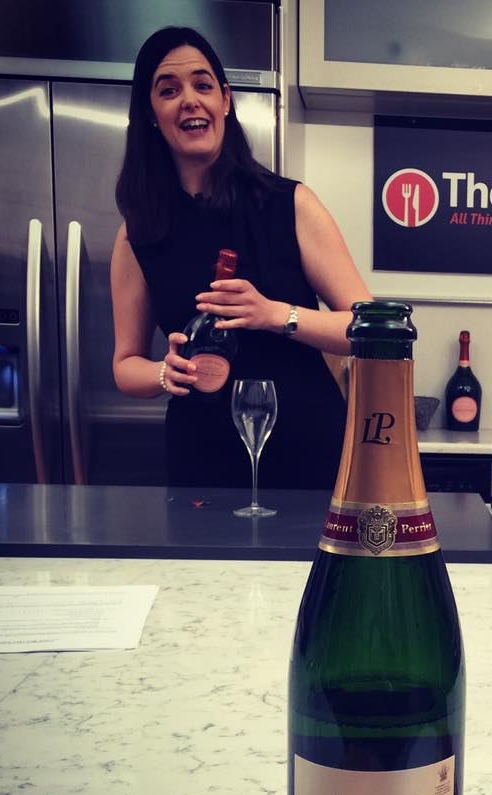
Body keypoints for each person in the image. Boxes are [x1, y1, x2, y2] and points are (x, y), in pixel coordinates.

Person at [111, 26, 370, 489]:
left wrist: (275, 314)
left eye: (202, 84)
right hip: (200, 458)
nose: (189, 100)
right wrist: (164, 373)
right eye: (168, 90)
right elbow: (125, 365)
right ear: (151, 113)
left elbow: (365, 329)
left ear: (225, 100)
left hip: (307, 453)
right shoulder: (138, 233)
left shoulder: (291, 204)